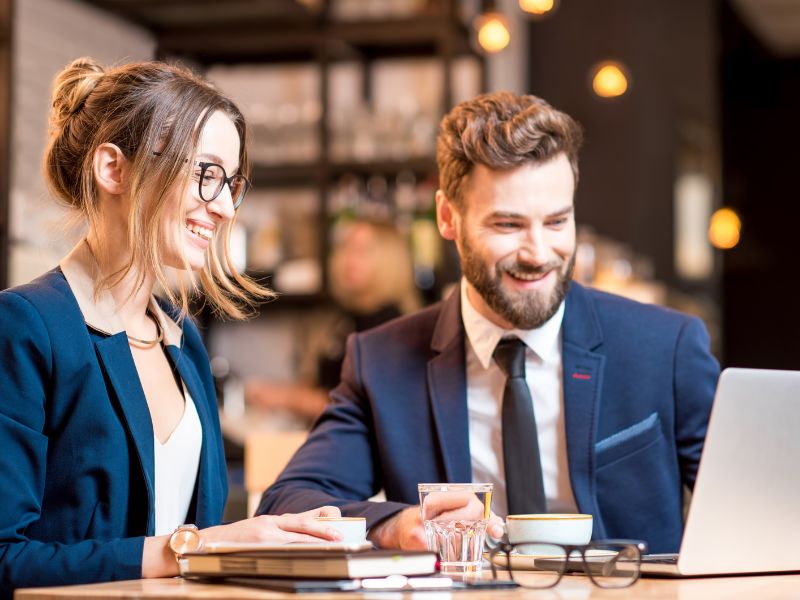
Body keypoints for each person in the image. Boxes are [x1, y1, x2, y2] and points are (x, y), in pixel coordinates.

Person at [258, 91, 720, 554]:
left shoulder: (666, 347)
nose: (538, 253)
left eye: (557, 222)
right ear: (447, 217)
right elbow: (286, 504)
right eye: (507, 225)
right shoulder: (380, 361)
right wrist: (392, 525)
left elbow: (757, 516)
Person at [0, 58, 343, 597]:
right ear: (112, 169)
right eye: (207, 174)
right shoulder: (25, 326)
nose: (226, 207)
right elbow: (4, 559)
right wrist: (199, 548)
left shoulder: (181, 338)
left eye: (231, 183)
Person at [245, 218, 420, 422]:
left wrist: (286, 398)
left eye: (363, 251)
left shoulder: (391, 328)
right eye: (346, 248)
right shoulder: (350, 319)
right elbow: (328, 383)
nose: (349, 260)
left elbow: (360, 407)